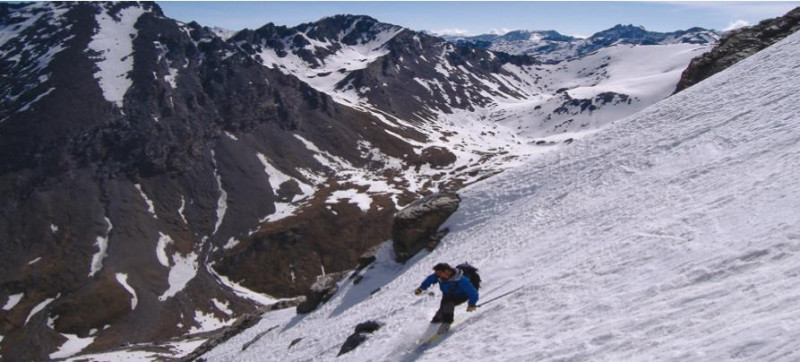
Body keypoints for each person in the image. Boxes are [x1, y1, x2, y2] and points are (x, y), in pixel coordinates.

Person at [414, 263, 479, 333]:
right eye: (437, 273)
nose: (437, 274)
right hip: (448, 295)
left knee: (448, 304)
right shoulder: (440, 277)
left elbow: (473, 293)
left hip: (462, 296)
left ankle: (446, 323)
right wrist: (421, 288)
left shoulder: (461, 280)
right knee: (442, 310)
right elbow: (430, 279)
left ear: (447, 271)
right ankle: (435, 323)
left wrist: (471, 304)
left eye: (439, 273)